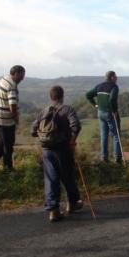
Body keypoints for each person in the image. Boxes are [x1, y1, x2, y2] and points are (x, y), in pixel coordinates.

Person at [31, 86, 82, 222]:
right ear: (62, 96)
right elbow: (76, 126)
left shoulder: (43, 112)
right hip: (64, 149)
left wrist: (46, 137)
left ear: (50, 97)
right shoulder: (68, 109)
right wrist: (72, 141)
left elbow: (33, 130)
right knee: (68, 177)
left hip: (47, 151)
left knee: (51, 179)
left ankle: (53, 211)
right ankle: (72, 204)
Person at [0, 65, 26, 172]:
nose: (22, 78)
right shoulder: (12, 86)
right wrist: (16, 118)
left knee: (3, 142)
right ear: (16, 74)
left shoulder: (4, 79)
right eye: (21, 75)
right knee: (8, 145)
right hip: (5, 120)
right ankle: (8, 167)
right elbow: (12, 106)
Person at [86, 71, 121, 164]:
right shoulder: (114, 87)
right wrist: (115, 111)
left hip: (100, 112)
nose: (117, 78)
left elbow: (88, 95)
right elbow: (112, 99)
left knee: (104, 135)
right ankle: (118, 158)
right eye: (116, 76)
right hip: (110, 113)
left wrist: (95, 105)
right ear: (112, 77)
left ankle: (104, 157)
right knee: (116, 135)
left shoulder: (99, 86)